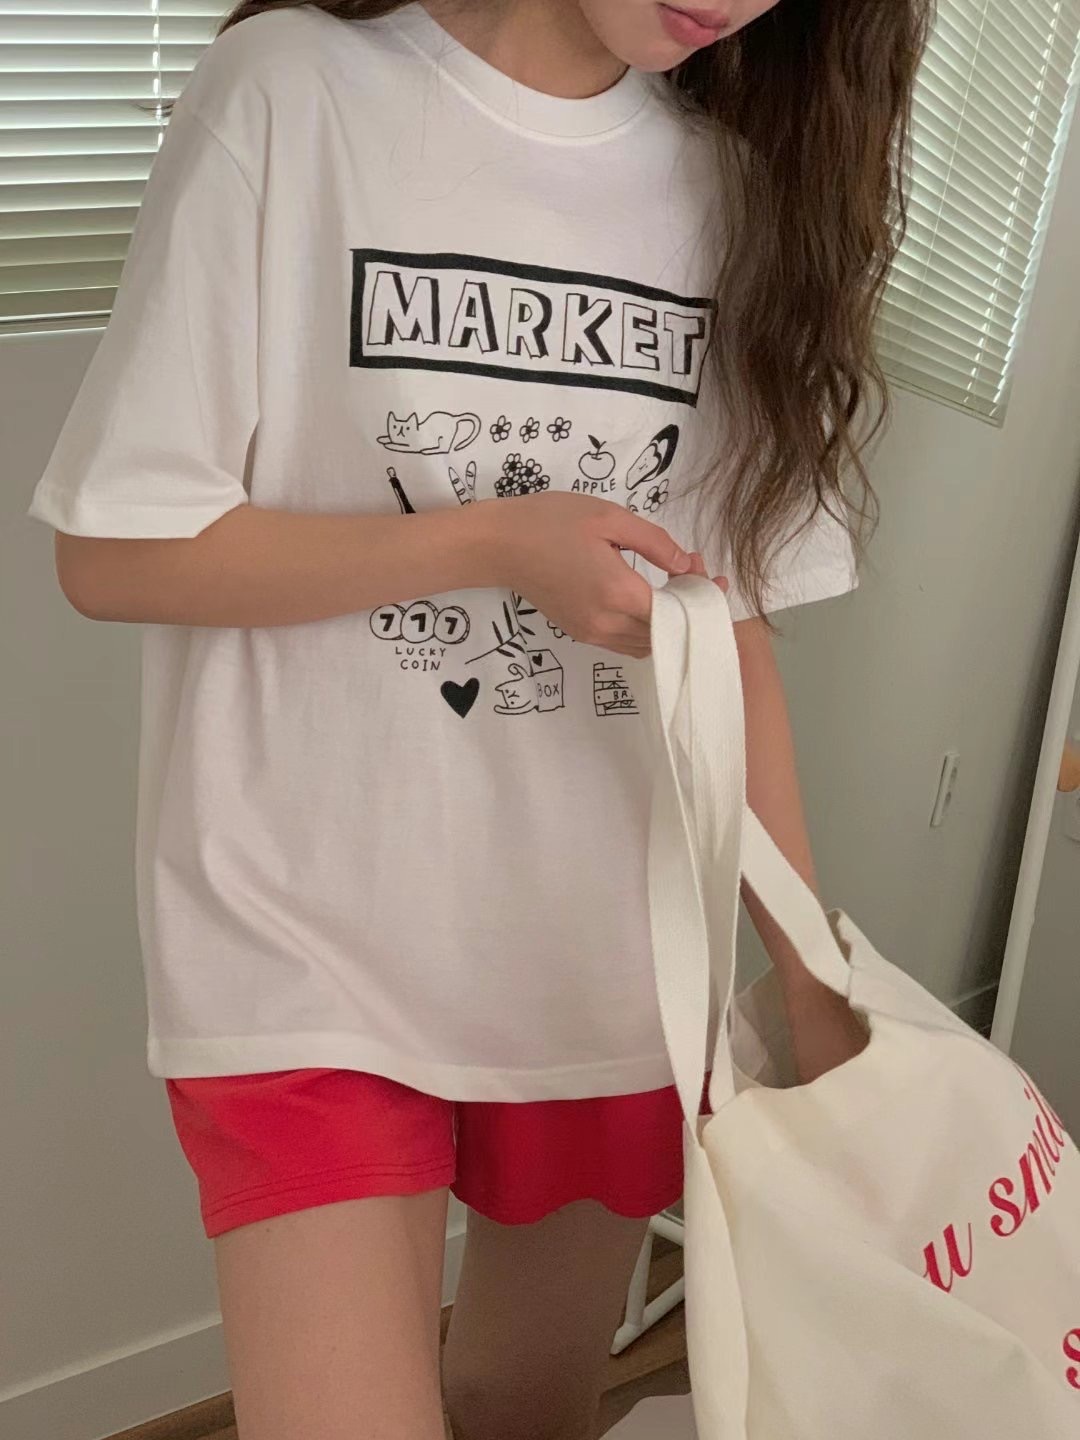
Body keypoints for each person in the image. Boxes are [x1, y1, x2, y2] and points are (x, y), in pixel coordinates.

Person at [25, 1, 928, 1436]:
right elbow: (116, 550)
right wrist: (491, 543)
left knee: (527, 1404)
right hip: (299, 940)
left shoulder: (742, 200)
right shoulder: (293, 93)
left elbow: (728, 630)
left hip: (609, 947)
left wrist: (812, 980)